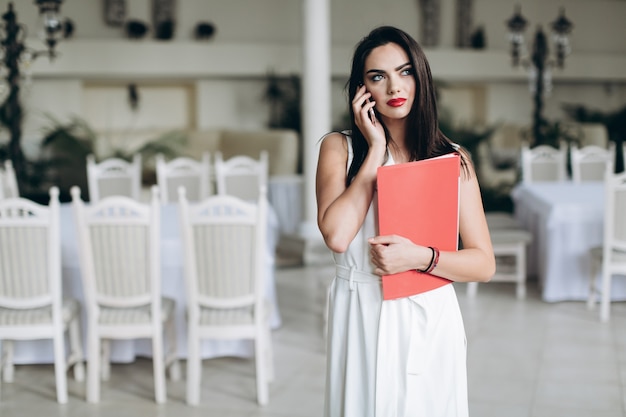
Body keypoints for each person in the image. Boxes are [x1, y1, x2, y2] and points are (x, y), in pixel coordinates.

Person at [316, 26, 496, 417]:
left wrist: (420, 257)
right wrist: (376, 150)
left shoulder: (452, 159)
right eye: (377, 76)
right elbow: (337, 235)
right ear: (362, 90)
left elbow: (483, 263)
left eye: (405, 71)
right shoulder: (339, 148)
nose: (394, 86)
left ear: (421, 76)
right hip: (360, 310)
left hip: (430, 312)